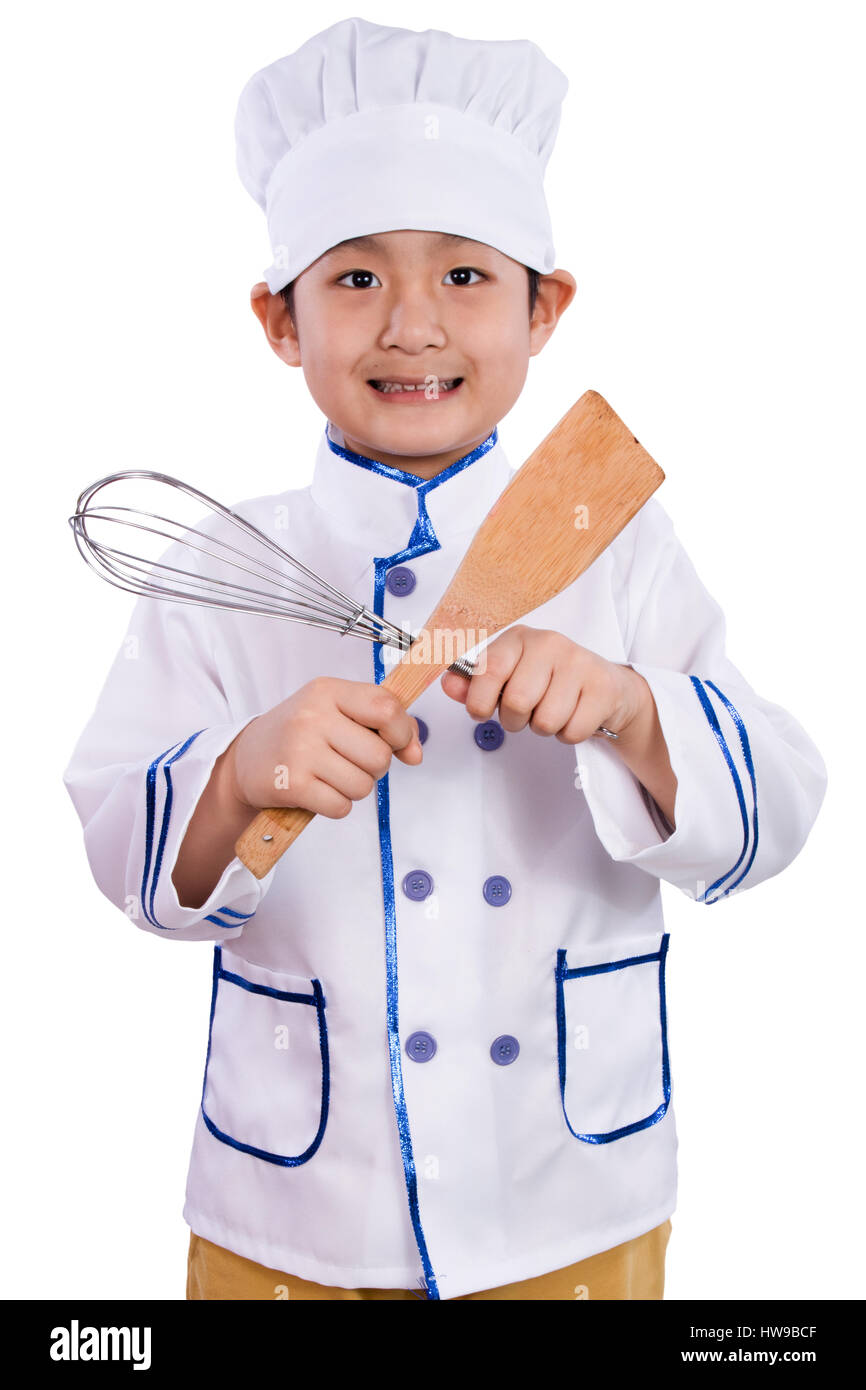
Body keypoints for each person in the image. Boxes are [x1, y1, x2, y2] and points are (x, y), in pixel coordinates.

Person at [63, 17, 827, 1301]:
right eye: (354, 278)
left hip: (566, 1197)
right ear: (278, 319)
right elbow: (127, 859)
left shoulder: (613, 542)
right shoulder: (219, 566)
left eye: (467, 276)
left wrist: (632, 715)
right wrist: (243, 773)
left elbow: (780, 806)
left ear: (546, 309)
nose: (412, 324)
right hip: (297, 1206)